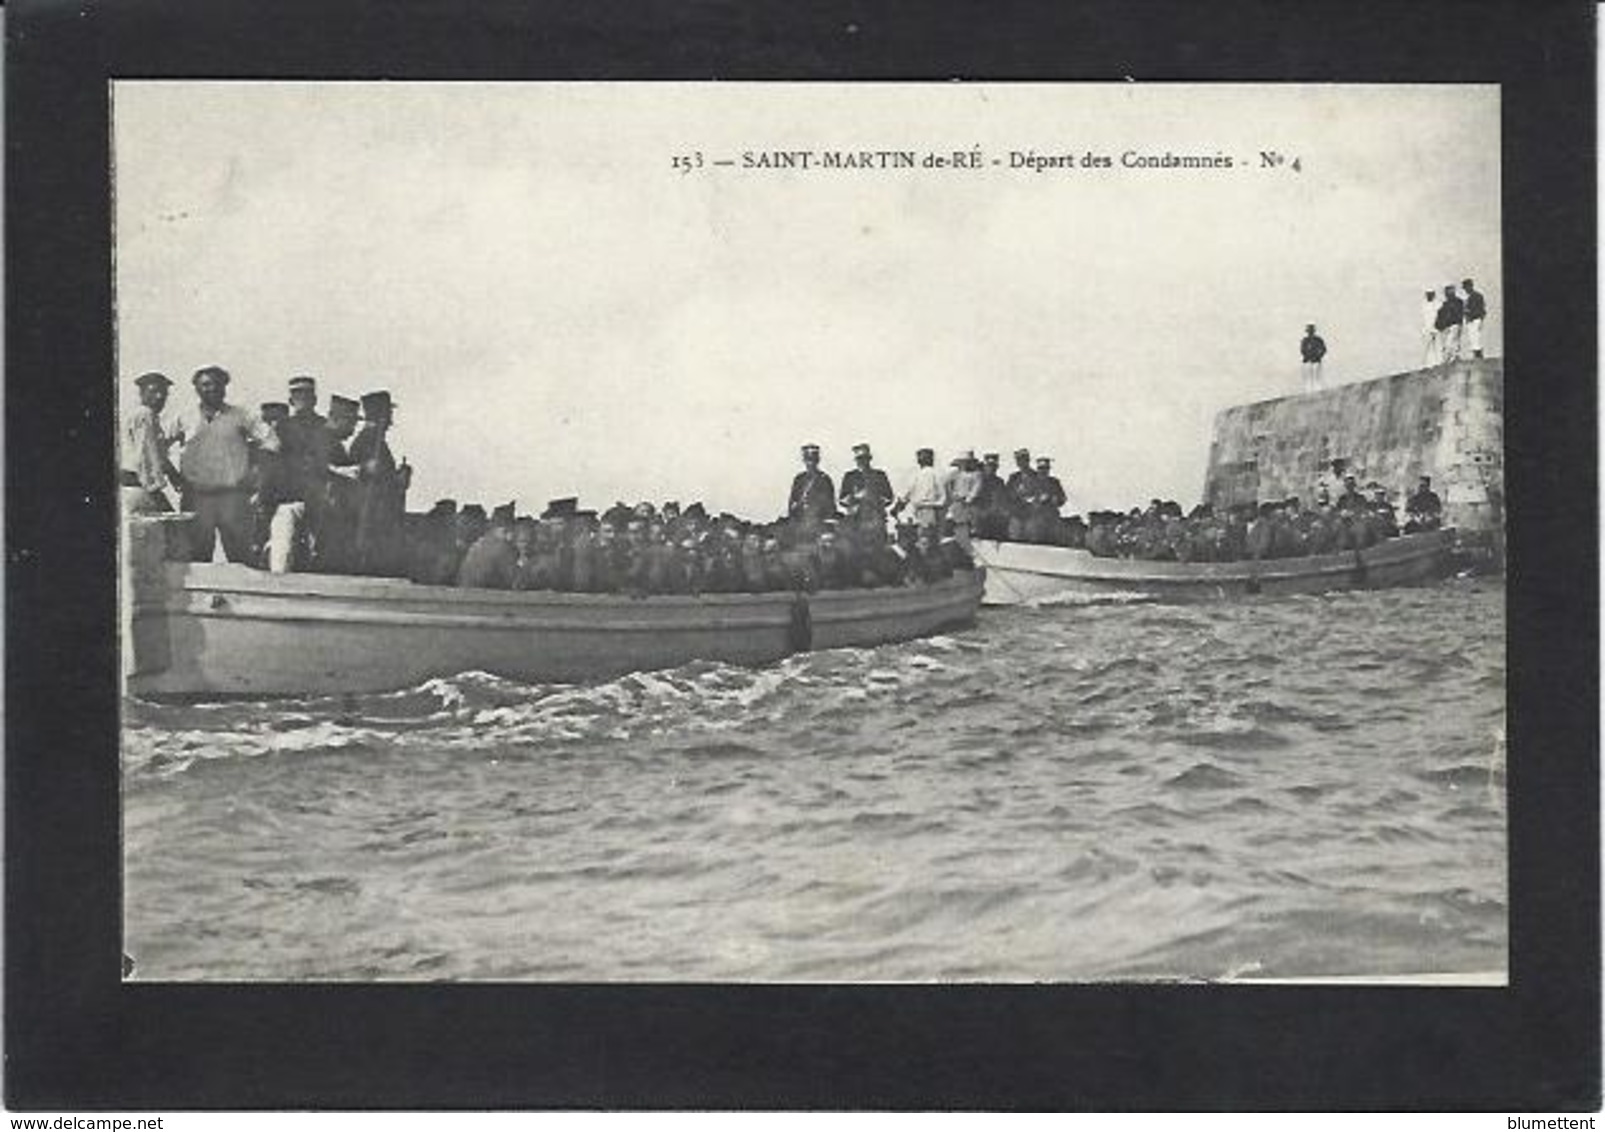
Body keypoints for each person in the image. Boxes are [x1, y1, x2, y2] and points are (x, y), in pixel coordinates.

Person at [169, 365, 280, 563]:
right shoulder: (184, 417)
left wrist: (255, 473)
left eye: (217, 384)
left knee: (241, 557)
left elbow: (272, 442)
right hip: (196, 497)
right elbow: (158, 445)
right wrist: (172, 475)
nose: (211, 389)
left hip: (232, 498)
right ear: (196, 388)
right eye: (205, 385)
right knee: (197, 557)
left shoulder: (240, 415)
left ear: (225, 387)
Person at [266, 375, 334, 573]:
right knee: (282, 546)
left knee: (323, 550)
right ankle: (278, 585)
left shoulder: (326, 428)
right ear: (290, 400)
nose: (302, 399)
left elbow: (339, 461)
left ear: (314, 399)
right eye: (297, 394)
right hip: (290, 498)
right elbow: (270, 465)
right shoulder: (281, 428)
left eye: (306, 394)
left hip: (322, 499)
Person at [349, 390, 412, 575]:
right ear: (381, 415)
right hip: (374, 523)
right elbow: (376, 486)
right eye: (388, 414)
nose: (391, 421)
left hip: (373, 521)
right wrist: (398, 480)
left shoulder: (369, 441)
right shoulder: (370, 442)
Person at [121, 371, 182, 515]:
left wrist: (174, 476)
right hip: (141, 486)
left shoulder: (148, 416)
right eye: (153, 392)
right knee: (170, 531)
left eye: (163, 393)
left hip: (136, 486)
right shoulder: (145, 414)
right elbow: (147, 456)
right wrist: (155, 490)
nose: (159, 397)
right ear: (141, 394)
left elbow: (157, 452)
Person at [838, 443, 895, 538]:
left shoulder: (880, 475)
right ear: (856, 460)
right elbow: (842, 499)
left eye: (865, 458)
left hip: (875, 519)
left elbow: (889, 497)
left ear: (869, 459)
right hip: (856, 520)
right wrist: (855, 498)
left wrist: (874, 498)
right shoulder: (850, 476)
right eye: (859, 459)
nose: (862, 461)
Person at [456, 507, 518, 589]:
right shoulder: (501, 548)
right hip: (486, 596)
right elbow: (514, 582)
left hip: (467, 593)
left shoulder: (478, 544)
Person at [786, 443, 836, 541]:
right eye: (808, 460)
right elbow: (792, 502)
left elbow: (830, 505)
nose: (810, 463)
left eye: (813, 460)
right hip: (801, 522)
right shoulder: (799, 479)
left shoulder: (824, 479)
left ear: (817, 461)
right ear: (804, 461)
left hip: (819, 522)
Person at [893, 447, 947, 535]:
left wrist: (896, 508)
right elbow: (943, 497)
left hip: (921, 510)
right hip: (935, 511)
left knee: (923, 537)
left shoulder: (916, 476)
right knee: (932, 537)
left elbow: (905, 496)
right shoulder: (938, 474)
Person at [944, 450, 984, 552]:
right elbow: (945, 484)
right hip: (956, 504)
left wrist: (968, 499)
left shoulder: (977, 475)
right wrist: (952, 495)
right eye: (962, 462)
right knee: (951, 522)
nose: (964, 465)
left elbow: (976, 490)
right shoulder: (954, 474)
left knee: (968, 524)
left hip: (970, 505)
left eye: (966, 462)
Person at [1026, 456, 1067, 543]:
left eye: (1046, 469)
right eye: (1041, 469)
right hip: (1036, 515)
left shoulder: (1054, 482)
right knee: (1034, 531)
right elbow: (1026, 497)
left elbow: (1062, 498)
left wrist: (1056, 499)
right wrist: (1038, 499)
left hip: (1052, 515)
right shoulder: (1032, 482)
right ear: (1037, 469)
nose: (1043, 471)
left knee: (1058, 533)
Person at [974, 452, 1009, 540]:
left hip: (994, 517)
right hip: (980, 518)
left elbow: (1002, 501)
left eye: (994, 466)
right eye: (989, 465)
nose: (992, 468)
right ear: (985, 466)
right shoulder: (978, 480)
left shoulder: (999, 482)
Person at [1004, 448, 1036, 540]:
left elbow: (1039, 493)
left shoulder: (1036, 476)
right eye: (1019, 460)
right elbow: (1007, 494)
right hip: (1016, 514)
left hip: (1031, 514)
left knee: (1032, 538)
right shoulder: (1013, 477)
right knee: (1015, 536)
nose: (1021, 463)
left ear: (1028, 460)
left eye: (1024, 460)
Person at [1435, 284, 1464, 363]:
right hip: (1448, 327)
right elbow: (1441, 315)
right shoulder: (1446, 304)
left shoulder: (1458, 302)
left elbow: (1458, 315)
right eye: (1447, 292)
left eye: (1450, 292)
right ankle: (1451, 359)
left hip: (1454, 325)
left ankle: (1450, 359)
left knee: (1451, 343)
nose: (1448, 294)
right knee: (1448, 343)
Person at [1462, 278, 1487, 359]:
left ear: (1470, 286)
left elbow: (1482, 309)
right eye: (1465, 288)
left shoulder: (1477, 296)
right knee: (1473, 339)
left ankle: (1478, 356)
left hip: (1475, 319)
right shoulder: (1468, 297)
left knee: (1476, 338)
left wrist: (1480, 319)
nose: (1465, 289)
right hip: (1471, 320)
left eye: (1466, 287)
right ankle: (1477, 356)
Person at [1300, 324, 1327, 392]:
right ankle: (1309, 392)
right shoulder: (1305, 340)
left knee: (1317, 377)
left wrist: (1319, 355)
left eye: (1311, 331)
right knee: (1309, 378)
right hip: (1308, 362)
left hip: (1316, 361)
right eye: (1309, 331)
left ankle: (1317, 391)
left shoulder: (1318, 340)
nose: (1310, 333)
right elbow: (1302, 351)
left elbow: (1324, 349)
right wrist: (1308, 356)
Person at [1420, 289, 1442, 367]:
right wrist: (1425, 329)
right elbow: (1424, 318)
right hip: (1427, 329)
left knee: (1437, 346)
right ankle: (1426, 365)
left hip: (1436, 328)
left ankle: (1438, 363)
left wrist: (1437, 326)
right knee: (1427, 347)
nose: (1429, 295)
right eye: (1428, 294)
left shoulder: (1438, 304)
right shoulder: (1424, 305)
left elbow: (1439, 316)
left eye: (1431, 294)